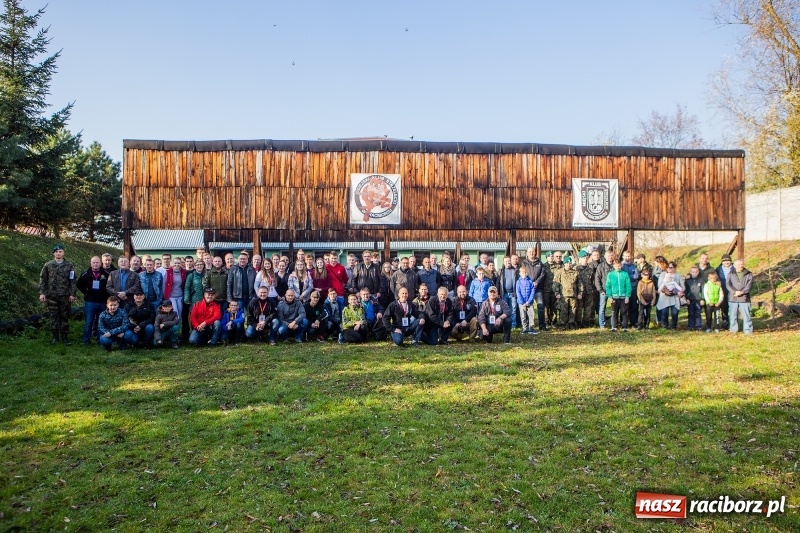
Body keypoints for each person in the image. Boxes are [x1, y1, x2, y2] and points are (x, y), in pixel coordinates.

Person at [38, 244, 77, 345]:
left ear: (63, 253)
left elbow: (72, 281)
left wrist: (72, 294)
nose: (58, 253)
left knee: (64, 316)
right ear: (53, 253)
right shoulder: (48, 265)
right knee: (53, 316)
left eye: (60, 251)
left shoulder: (69, 265)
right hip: (52, 296)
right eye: (56, 252)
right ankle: (55, 337)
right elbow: (43, 280)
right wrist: (42, 293)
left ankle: (65, 337)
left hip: (65, 296)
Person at [76, 256, 109, 345]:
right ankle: (86, 341)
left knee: (100, 322)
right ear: (90, 263)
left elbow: (109, 287)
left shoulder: (106, 274)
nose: (95, 264)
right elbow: (79, 284)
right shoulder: (85, 274)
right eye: (93, 262)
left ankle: (100, 340)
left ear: (101, 263)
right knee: (88, 323)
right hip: (90, 302)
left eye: (97, 262)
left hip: (102, 302)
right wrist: (86, 292)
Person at [521, 247, 546, 331]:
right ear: (527, 253)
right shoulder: (524, 263)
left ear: (535, 253)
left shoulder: (539, 262)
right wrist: (530, 283)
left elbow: (543, 274)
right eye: (529, 252)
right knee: (528, 307)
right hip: (527, 289)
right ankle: (528, 326)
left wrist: (537, 282)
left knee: (540, 305)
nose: (531, 253)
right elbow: (523, 273)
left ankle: (542, 325)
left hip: (538, 288)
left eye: (533, 252)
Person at [553, 256, 582, 329]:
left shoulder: (575, 273)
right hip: (563, 295)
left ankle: (571, 323)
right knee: (564, 311)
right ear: (564, 264)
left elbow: (580, 284)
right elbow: (556, 283)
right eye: (567, 263)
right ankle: (563, 324)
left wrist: (580, 293)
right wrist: (557, 293)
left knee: (573, 310)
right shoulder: (559, 272)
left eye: (570, 263)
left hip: (573, 295)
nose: (568, 265)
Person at [727, 259, 754, 334]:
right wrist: (734, 291)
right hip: (733, 297)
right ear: (734, 266)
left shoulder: (749, 274)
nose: (740, 266)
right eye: (738, 264)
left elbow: (749, 285)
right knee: (733, 315)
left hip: (744, 298)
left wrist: (742, 292)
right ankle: (733, 329)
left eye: (741, 264)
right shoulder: (731, 273)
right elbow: (728, 284)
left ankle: (748, 330)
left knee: (746, 315)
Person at [656, 262, 684, 330]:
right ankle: (665, 326)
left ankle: (673, 326)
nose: (669, 269)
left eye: (671, 267)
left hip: (675, 296)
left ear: (674, 268)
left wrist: (677, 291)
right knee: (664, 312)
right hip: (664, 296)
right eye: (668, 267)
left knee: (675, 312)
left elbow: (682, 286)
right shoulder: (663, 274)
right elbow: (660, 285)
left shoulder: (678, 275)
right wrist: (665, 290)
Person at [605, 259, 631, 332]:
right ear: (613, 266)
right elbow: (608, 286)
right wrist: (609, 296)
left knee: (624, 312)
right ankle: (614, 326)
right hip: (614, 297)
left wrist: (627, 296)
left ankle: (625, 327)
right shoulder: (610, 274)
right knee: (614, 312)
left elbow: (628, 286)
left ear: (621, 265)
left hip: (623, 297)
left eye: (619, 266)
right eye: (616, 266)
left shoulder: (625, 274)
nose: (618, 267)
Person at [165, 258, 188, 334]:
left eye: (178, 263)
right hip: (171, 296)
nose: (177, 265)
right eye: (175, 263)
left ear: (181, 264)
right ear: (172, 263)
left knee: (180, 314)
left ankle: (178, 332)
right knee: (176, 314)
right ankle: (175, 333)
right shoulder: (168, 272)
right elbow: (164, 285)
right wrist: (165, 296)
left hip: (180, 296)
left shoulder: (183, 272)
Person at [515, 265, 539, 335]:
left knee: (531, 315)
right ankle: (525, 328)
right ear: (520, 273)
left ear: (527, 273)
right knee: (523, 316)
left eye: (525, 273)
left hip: (529, 302)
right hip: (521, 302)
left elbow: (532, 291)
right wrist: (523, 302)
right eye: (522, 273)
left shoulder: (530, 281)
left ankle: (531, 328)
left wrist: (529, 301)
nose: (524, 274)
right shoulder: (518, 282)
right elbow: (518, 292)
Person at [498, 256, 518, 329]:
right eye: (506, 261)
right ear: (503, 262)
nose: (508, 262)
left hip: (513, 293)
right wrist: (498, 293)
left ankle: (513, 324)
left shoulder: (515, 271)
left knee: (513, 309)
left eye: (509, 261)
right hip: (504, 293)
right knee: (504, 310)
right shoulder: (501, 271)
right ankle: (505, 324)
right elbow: (498, 283)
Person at [621, 251, 640, 326]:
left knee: (633, 306)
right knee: (624, 307)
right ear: (623, 256)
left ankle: (633, 322)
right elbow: (621, 277)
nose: (627, 258)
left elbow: (636, 276)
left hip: (633, 288)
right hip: (624, 288)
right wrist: (630, 276)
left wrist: (626, 276)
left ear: (631, 257)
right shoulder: (621, 266)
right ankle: (623, 322)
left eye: (628, 256)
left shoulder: (634, 266)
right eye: (626, 256)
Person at [716, 254, 734, 328]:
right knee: (724, 309)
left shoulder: (735, 268)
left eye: (728, 260)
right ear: (722, 262)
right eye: (725, 261)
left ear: (730, 261)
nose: (726, 262)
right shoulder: (717, 270)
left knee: (733, 309)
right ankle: (725, 325)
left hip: (733, 291)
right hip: (722, 291)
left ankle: (734, 325)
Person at [684, 266, 705, 331]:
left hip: (698, 299)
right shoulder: (687, 281)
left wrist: (702, 299)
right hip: (690, 299)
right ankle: (690, 326)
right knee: (691, 313)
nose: (694, 273)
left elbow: (703, 290)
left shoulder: (701, 280)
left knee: (698, 313)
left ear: (698, 272)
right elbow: (686, 290)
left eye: (696, 272)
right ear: (690, 272)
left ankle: (698, 326)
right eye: (693, 272)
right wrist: (687, 298)